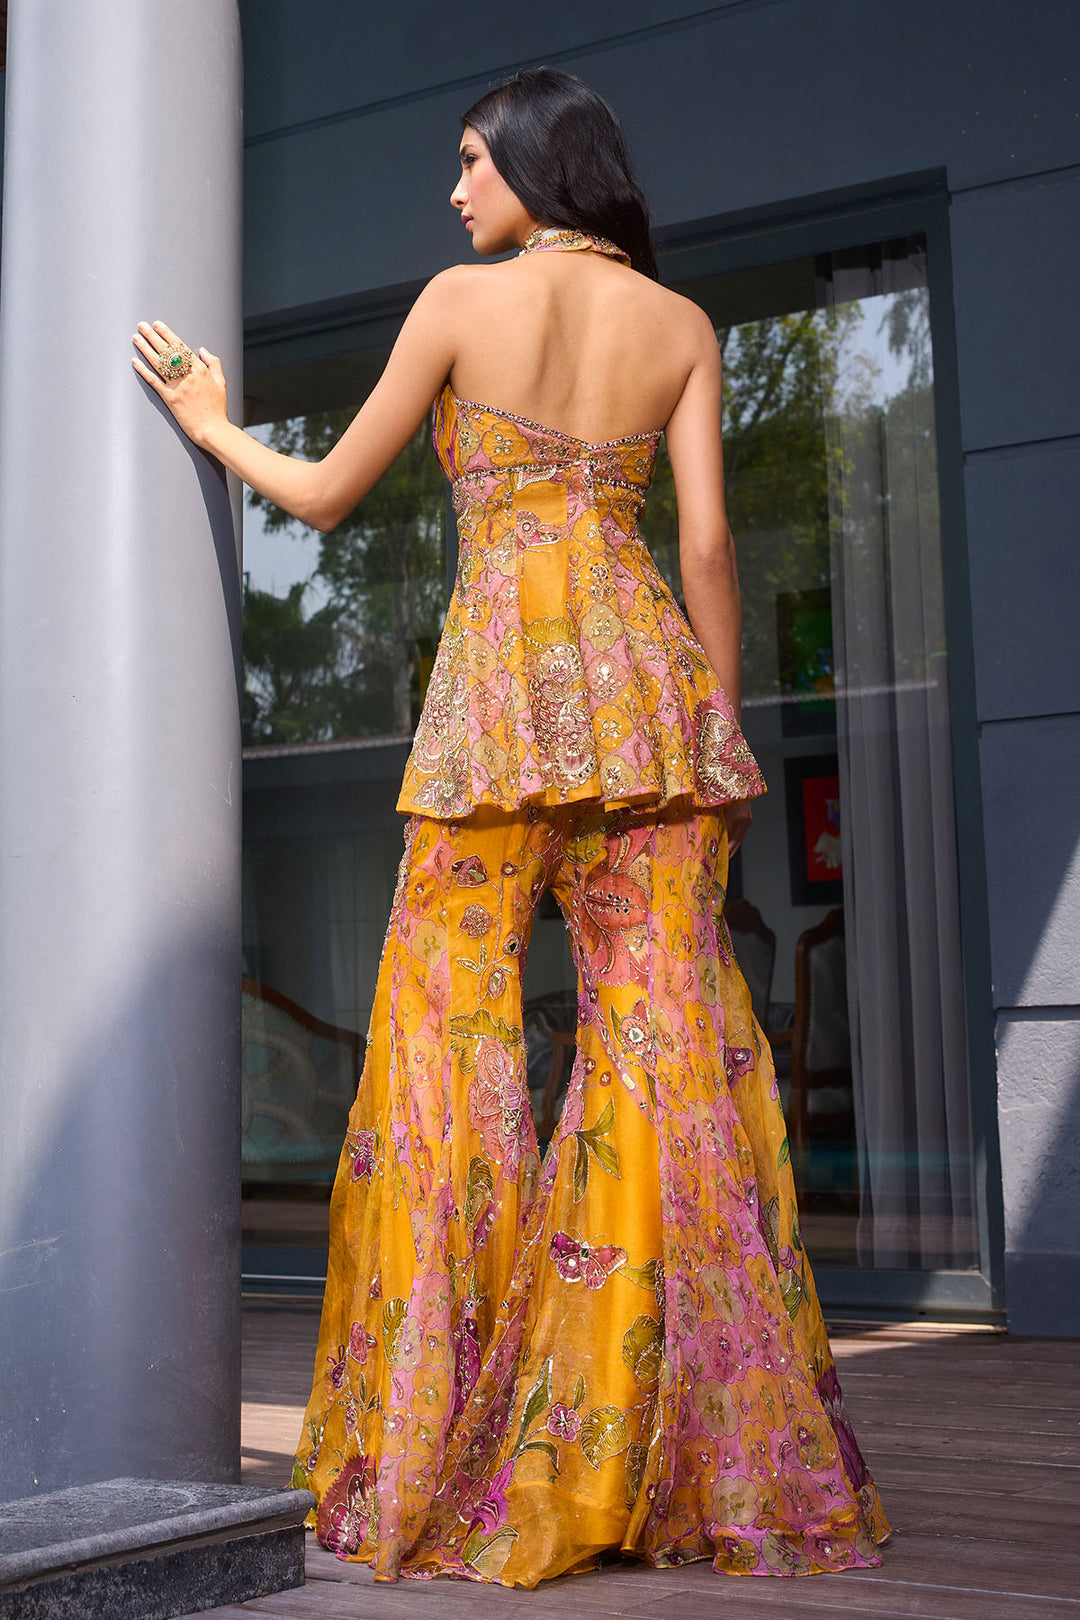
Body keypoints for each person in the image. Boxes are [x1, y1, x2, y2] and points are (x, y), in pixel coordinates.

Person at [133, 65, 889, 1590]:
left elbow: (332, 492)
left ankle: (441, 1445)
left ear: (540, 166)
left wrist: (213, 426)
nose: (456, 190)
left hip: (498, 725)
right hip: (657, 722)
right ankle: (685, 1464)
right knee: (668, 1070)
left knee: (446, 1052)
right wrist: (714, 733)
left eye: (473, 161)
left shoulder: (459, 305)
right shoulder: (682, 328)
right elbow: (710, 544)